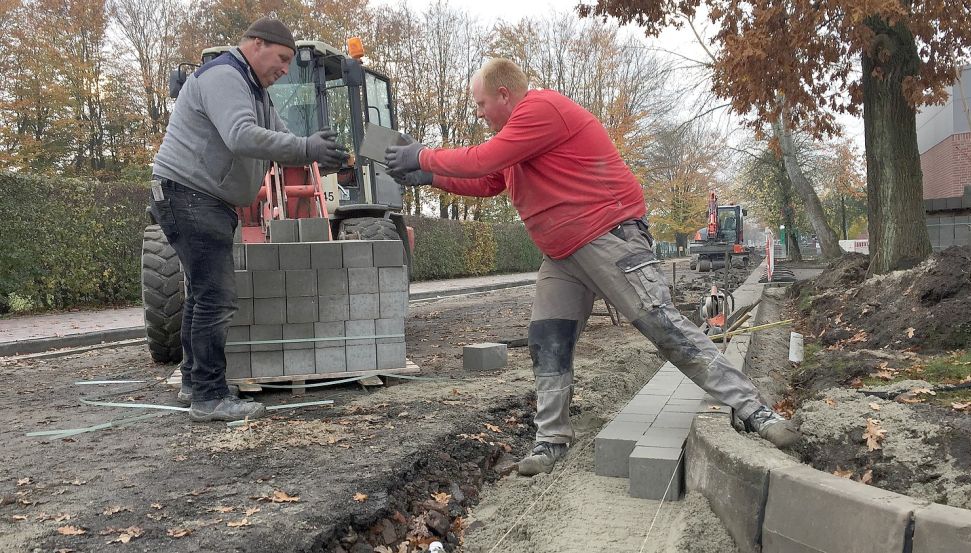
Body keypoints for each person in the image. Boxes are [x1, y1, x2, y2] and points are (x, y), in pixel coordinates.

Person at [385, 58, 800, 476]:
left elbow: (480, 160)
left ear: (504, 95)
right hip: (562, 255)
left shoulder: (538, 109)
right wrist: (428, 177)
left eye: (480, 103)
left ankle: (755, 410)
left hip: (607, 238)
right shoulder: (516, 142)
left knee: (663, 326)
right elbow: (487, 180)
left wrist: (423, 154)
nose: (477, 112)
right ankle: (551, 440)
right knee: (548, 339)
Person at [150, 16, 349, 422]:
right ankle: (209, 396)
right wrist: (305, 145)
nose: (283, 69)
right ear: (255, 44)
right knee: (216, 297)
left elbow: (279, 138)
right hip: (190, 195)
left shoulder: (255, 89)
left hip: (200, 198)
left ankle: (195, 384)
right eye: (280, 59)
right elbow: (241, 135)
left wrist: (313, 151)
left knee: (203, 295)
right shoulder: (225, 75)